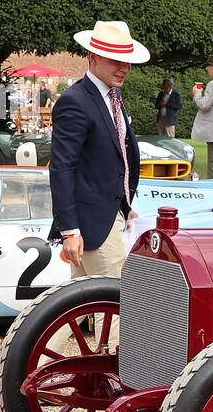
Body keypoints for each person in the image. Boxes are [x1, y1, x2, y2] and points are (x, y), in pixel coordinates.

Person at [48, 21, 147, 279]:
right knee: (115, 307)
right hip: (92, 225)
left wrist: (125, 206)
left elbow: (115, 157)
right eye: (115, 60)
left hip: (104, 218)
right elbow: (62, 168)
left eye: (127, 61)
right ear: (93, 58)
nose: (124, 68)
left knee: (90, 309)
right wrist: (69, 230)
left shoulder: (114, 96)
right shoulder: (74, 101)